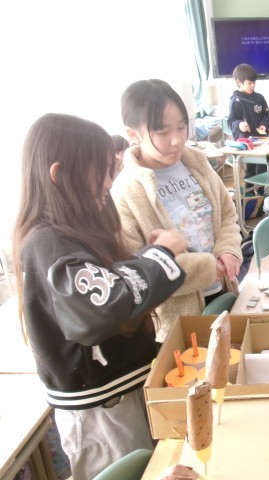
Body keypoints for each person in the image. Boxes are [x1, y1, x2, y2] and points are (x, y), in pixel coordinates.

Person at [12, 113, 188, 480]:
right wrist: (160, 255)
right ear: (60, 174)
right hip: (102, 409)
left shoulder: (68, 233)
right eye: (101, 172)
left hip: (119, 394)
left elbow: (107, 283)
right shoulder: (47, 241)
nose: (109, 182)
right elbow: (103, 306)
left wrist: (148, 256)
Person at [113, 79, 243, 343]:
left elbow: (227, 214)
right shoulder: (127, 192)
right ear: (133, 134)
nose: (176, 140)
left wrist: (229, 249)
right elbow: (138, 272)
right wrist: (205, 268)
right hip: (178, 320)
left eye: (182, 127)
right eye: (162, 132)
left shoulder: (196, 162)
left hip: (224, 292)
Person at [228, 63, 269, 188]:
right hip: (247, 143)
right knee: (250, 169)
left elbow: (267, 116)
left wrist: (264, 125)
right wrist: (239, 125)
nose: (253, 85)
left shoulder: (259, 98)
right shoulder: (235, 100)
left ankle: (261, 192)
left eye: (254, 82)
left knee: (263, 167)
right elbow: (231, 121)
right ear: (239, 82)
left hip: (262, 140)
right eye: (249, 83)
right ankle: (249, 191)